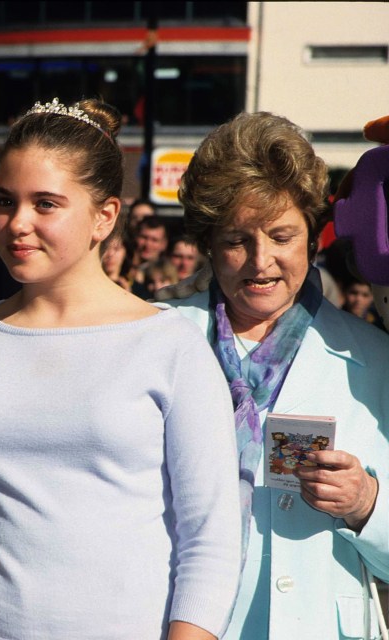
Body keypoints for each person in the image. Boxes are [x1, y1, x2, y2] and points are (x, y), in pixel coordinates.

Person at [0, 98, 241, 640]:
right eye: (5, 201)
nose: (17, 223)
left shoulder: (171, 346)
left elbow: (210, 539)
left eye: (46, 203)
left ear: (105, 216)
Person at [170, 111, 389, 639]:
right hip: (181, 621)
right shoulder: (156, 338)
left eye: (281, 235)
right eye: (236, 239)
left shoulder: (377, 357)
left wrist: (366, 505)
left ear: (313, 239)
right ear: (208, 244)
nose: (260, 260)